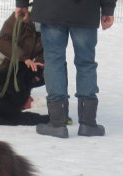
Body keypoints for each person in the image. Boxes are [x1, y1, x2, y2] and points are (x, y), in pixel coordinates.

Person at [15, 0, 116, 138]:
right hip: (85, 10)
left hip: (51, 9)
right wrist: (108, 8)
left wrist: (22, 4)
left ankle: (57, 123)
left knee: (53, 61)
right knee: (86, 63)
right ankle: (88, 123)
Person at [0, 11, 44, 109]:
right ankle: (11, 95)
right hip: (8, 64)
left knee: (52, 71)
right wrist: (24, 58)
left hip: (27, 65)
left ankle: (57, 105)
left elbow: (49, 49)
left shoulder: (51, 22)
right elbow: (2, 41)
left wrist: (40, 62)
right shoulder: (19, 15)